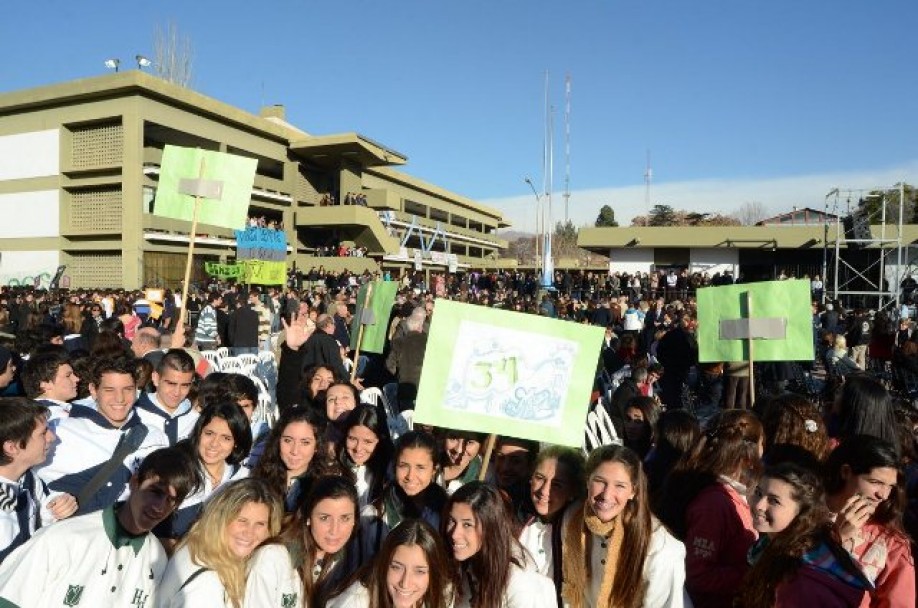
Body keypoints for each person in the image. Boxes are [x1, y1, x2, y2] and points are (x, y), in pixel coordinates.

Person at [0, 446, 200, 606]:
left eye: (172, 500)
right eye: (155, 492)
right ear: (134, 483)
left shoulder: (156, 559)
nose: (160, 507)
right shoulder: (62, 538)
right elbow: (9, 599)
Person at [36, 356, 169, 514]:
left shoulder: (155, 437)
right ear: (93, 390)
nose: (119, 398)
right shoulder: (59, 432)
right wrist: (51, 507)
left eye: (127, 389)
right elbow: (26, 487)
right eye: (109, 390)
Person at [560, 445, 689, 608]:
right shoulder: (573, 520)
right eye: (600, 481)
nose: (606, 495)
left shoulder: (661, 547)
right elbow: (570, 592)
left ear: (633, 491)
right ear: (588, 482)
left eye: (619, 486)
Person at [659, 410, 763, 608]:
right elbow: (698, 574)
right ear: (748, 457)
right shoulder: (714, 504)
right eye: (762, 443)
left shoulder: (736, 493)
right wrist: (752, 575)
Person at [739, 462, 871, 608]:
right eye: (758, 493)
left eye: (774, 500)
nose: (759, 505)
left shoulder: (799, 578)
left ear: (801, 512)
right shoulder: (773, 546)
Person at [158, 478, 283, 608]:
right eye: (242, 520)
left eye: (260, 524)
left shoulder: (201, 548)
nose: (249, 532)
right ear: (220, 518)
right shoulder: (206, 583)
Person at [824, 435, 916, 607]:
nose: (883, 495)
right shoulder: (805, 513)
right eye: (875, 482)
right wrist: (837, 541)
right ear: (846, 472)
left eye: (890, 486)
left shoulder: (891, 544)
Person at [245, 475, 359, 608]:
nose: (335, 530)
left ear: (354, 520)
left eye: (345, 518)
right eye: (324, 518)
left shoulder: (349, 562)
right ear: (308, 517)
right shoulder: (272, 558)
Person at [443, 481, 555, 608]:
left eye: (467, 524)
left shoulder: (521, 584)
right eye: (452, 521)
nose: (454, 534)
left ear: (490, 527)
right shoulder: (463, 565)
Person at [156, 402, 252, 543]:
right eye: (209, 433)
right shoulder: (177, 471)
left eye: (226, 438)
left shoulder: (244, 478)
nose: (214, 443)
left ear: (236, 443)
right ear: (199, 432)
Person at [0, 397, 77, 562]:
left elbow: (36, 520)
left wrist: (55, 508)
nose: (52, 437)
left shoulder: (28, 478)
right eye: (43, 432)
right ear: (12, 447)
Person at [326, 519, 454, 608]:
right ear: (384, 564)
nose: (405, 583)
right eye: (396, 567)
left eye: (419, 571)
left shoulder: (442, 596)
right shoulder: (354, 602)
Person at [360, 431, 448, 562]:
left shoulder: (447, 514)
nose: (410, 476)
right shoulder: (373, 516)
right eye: (403, 466)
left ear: (434, 470)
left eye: (420, 467)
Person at [518, 446, 585, 582]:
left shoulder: (580, 531)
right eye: (540, 478)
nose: (544, 490)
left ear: (572, 491)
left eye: (556, 484)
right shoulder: (513, 518)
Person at [251, 407, 330, 511]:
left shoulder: (325, 487)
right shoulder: (257, 479)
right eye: (288, 440)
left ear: (317, 446)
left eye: (305, 442)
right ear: (278, 441)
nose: (295, 451)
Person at [134, 349, 199, 445]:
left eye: (185, 385)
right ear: (156, 378)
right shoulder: (134, 415)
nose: (177, 392)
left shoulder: (196, 419)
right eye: (171, 384)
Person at [337, 403, 393, 511]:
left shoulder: (391, 471)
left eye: (368, 441)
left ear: (381, 440)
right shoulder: (332, 467)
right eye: (352, 439)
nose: (358, 448)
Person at [21, 349, 80, 424]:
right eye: (68, 375)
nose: (77, 379)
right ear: (45, 384)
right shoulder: (54, 417)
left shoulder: (28, 413)